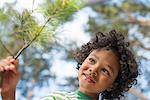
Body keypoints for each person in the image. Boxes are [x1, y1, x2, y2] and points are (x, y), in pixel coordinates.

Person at [0, 29, 139, 100]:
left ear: (113, 85)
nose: (93, 69)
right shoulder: (56, 98)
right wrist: (8, 92)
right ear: (83, 59)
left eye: (105, 71)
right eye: (92, 60)